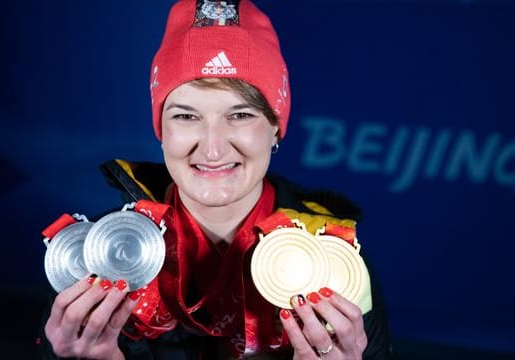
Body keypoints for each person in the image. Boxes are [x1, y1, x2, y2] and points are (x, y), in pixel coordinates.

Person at [38, 0, 392, 358]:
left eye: (239, 115)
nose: (211, 148)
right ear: (161, 129)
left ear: (275, 128)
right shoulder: (96, 258)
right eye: (186, 116)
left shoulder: (335, 262)